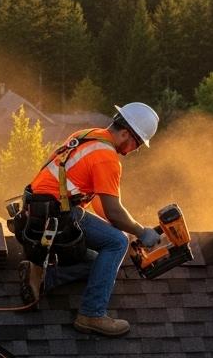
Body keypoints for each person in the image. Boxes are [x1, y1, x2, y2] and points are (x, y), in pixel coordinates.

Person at [17, 102, 161, 337]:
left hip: (38, 211)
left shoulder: (86, 136)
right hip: (57, 215)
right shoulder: (107, 158)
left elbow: (100, 205)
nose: (135, 150)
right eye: (136, 144)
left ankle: (45, 277)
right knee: (117, 243)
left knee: (101, 262)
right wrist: (141, 232)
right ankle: (91, 314)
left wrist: (131, 229)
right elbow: (113, 211)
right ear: (125, 133)